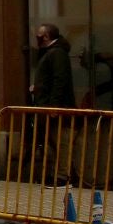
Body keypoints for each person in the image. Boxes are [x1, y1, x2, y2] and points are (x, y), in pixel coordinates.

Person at [29, 23, 76, 187]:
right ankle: (57, 174)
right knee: (54, 142)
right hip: (49, 105)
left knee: (60, 142)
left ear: (46, 36)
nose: (37, 38)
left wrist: (54, 105)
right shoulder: (53, 53)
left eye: (39, 35)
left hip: (55, 108)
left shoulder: (56, 53)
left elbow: (59, 80)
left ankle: (62, 176)